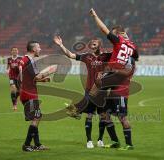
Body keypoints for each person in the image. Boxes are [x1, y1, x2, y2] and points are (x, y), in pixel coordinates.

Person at [54, 36, 120, 149]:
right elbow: (70, 55)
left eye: (95, 44)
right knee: (89, 115)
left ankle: (100, 139)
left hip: (102, 91)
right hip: (89, 90)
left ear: (100, 45)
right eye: (91, 44)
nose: (92, 46)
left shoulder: (107, 55)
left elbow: (119, 54)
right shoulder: (87, 56)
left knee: (103, 116)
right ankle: (89, 140)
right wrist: (61, 45)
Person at [88, 8, 138, 150]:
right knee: (104, 114)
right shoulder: (131, 48)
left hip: (121, 89)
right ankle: (115, 141)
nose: (112, 36)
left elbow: (104, 29)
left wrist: (95, 16)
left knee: (122, 117)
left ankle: (129, 144)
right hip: (114, 86)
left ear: (119, 34)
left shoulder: (120, 43)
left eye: (114, 33)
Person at [19, 41, 51, 152]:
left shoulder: (29, 60)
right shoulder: (27, 60)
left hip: (28, 93)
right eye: (39, 47)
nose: (40, 49)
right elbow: (22, 66)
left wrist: (43, 79)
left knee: (37, 117)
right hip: (29, 94)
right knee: (36, 117)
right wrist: (48, 72)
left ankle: (37, 144)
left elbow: (33, 78)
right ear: (33, 49)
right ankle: (27, 145)